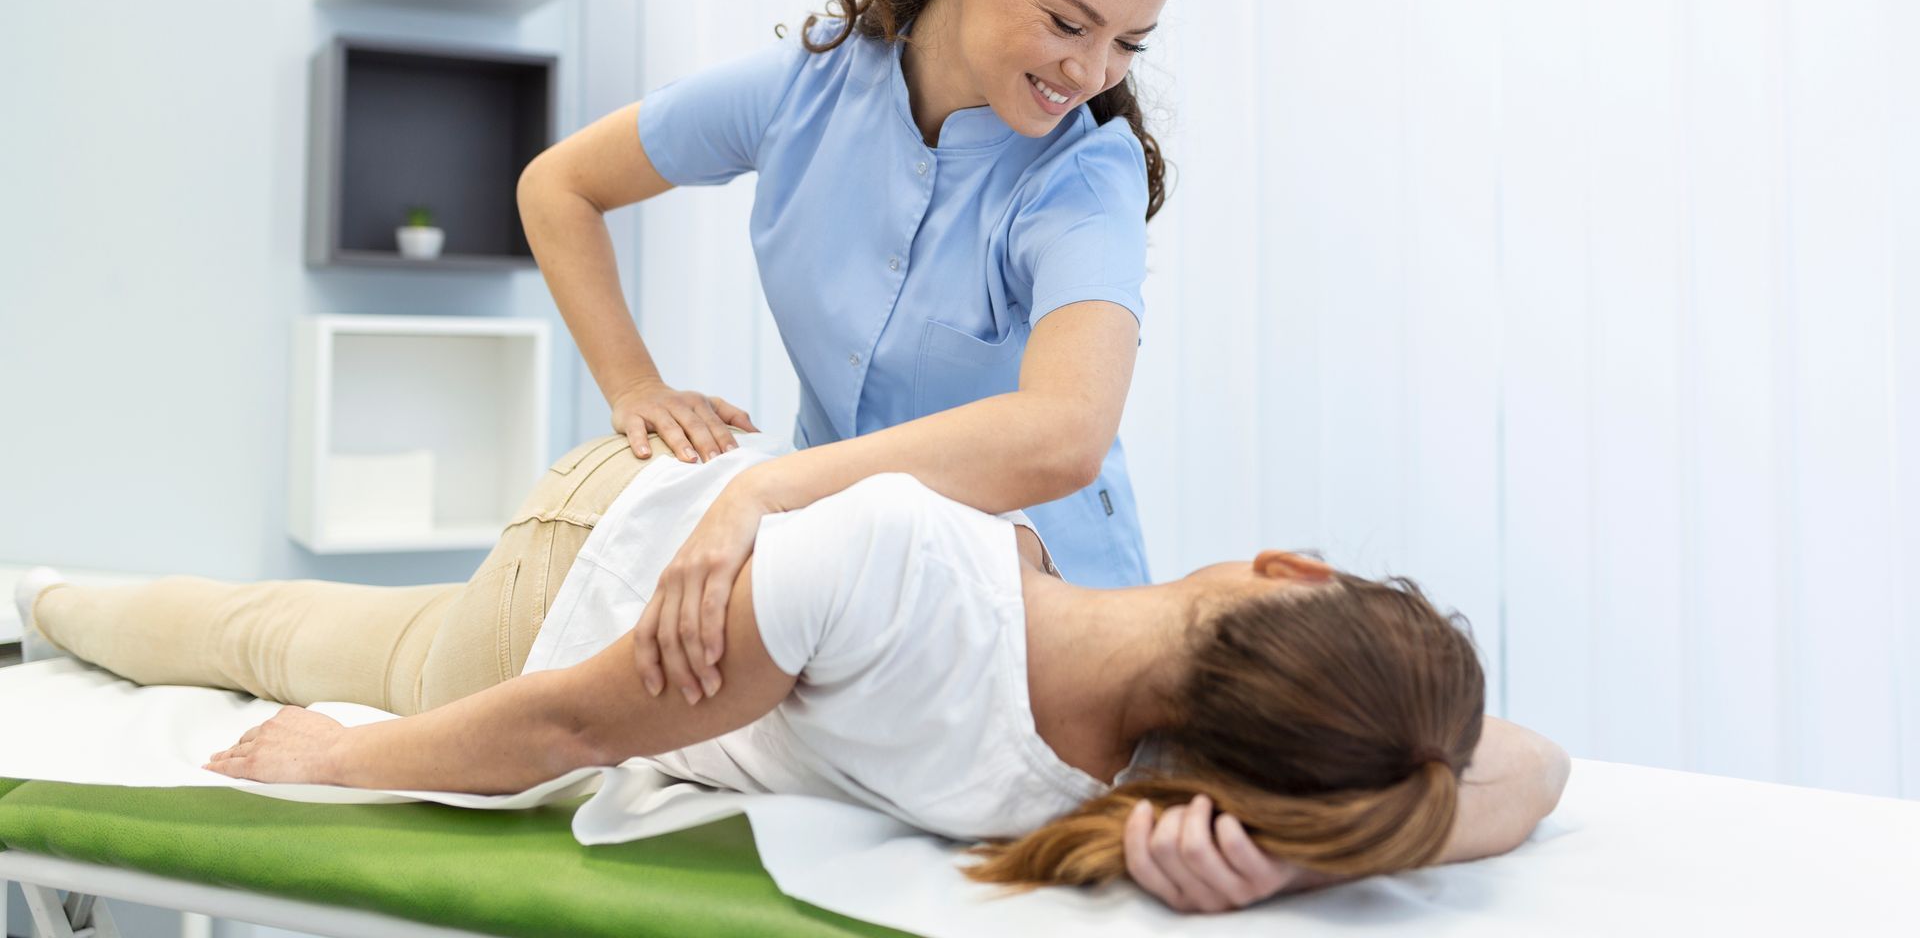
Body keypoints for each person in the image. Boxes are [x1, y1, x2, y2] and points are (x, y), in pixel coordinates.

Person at [19, 433, 1568, 911]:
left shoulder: (897, 564)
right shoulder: (1149, 779)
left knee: (272, 643)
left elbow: (564, 720)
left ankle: (44, 596)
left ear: (1291, 573)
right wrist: (1289, 858)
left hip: (562, 603)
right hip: (653, 534)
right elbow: (1516, 769)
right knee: (274, 627)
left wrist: (340, 760)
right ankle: (50, 595)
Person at [513, 0, 1220, 709]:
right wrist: (634, 385)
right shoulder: (806, 92)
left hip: (1042, 629)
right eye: (1068, 23)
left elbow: (1065, 435)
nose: (1094, 73)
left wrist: (771, 491)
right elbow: (559, 187)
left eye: (1128, 43)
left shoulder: (1083, 176)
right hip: (838, 602)